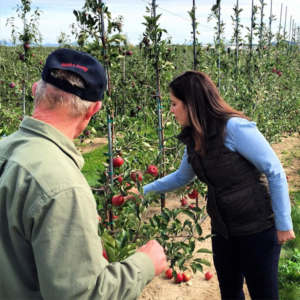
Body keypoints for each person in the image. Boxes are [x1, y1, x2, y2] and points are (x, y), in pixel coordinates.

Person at [0, 48, 167, 300]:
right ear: (94, 109)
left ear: (35, 90)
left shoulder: (6, 151)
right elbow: (80, 295)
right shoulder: (62, 187)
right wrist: (144, 264)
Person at [130, 70, 295, 300]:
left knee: (263, 294)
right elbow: (182, 177)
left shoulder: (234, 128)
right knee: (229, 292)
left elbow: (274, 170)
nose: (170, 110)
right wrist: (143, 191)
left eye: (174, 103)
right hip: (223, 230)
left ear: (191, 104)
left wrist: (283, 223)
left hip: (257, 227)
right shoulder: (194, 137)